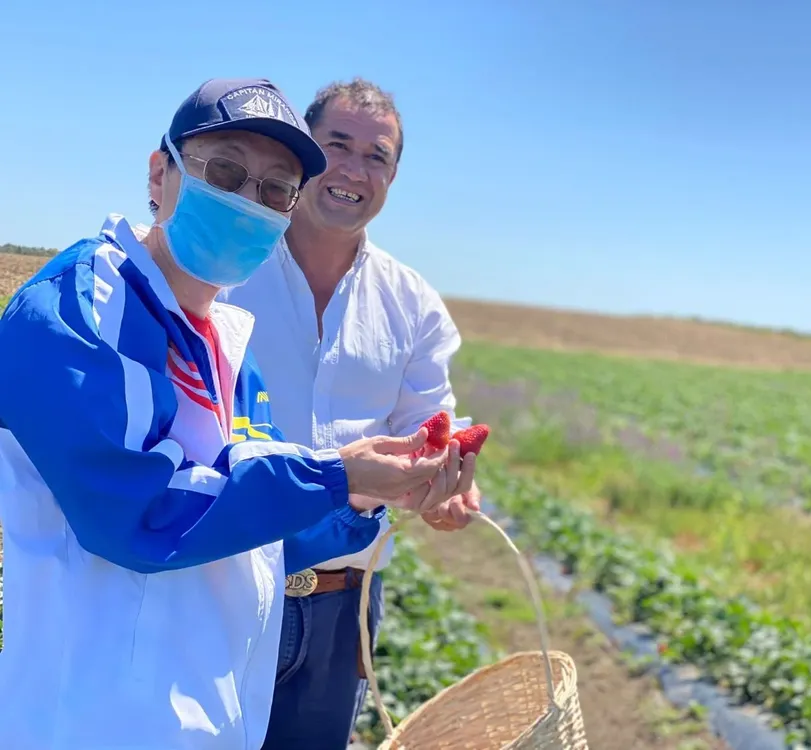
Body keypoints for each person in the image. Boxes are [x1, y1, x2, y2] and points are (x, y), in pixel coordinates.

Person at [0, 77, 474, 750]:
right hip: (92, 720)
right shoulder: (82, 306)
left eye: (274, 190)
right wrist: (339, 476)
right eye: (224, 173)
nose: (247, 203)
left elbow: (261, 529)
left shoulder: (228, 345)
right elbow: (139, 513)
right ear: (159, 174)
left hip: (204, 716)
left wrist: (368, 496)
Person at [218, 78, 481, 749]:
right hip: (221, 587)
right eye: (337, 146)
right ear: (304, 151)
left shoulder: (411, 303)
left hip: (345, 604)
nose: (354, 171)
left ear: (393, 176)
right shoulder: (226, 270)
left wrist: (444, 483)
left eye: (376, 157)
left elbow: (429, 428)